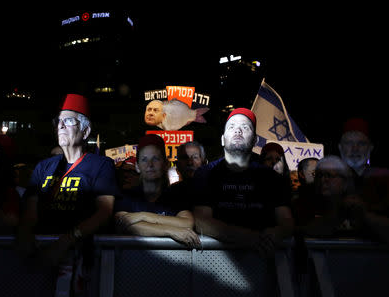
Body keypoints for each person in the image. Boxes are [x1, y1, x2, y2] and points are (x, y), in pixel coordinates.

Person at [17, 93, 118, 296]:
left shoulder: (101, 165)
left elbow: (104, 211)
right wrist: (26, 233)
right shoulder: (44, 166)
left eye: (69, 120)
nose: (60, 126)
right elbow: (31, 208)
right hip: (41, 253)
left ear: (85, 131)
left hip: (79, 254)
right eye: (58, 121)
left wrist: (65, 242)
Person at [193, 108, 294, 258]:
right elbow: (201, 221)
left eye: (245, 127)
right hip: (216, 260)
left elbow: (287, 221)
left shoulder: (271, 178)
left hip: (263, 260)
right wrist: (247, 237)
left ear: (254, 140)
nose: (238, 131)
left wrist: (277, 232)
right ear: (222, 139)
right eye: (231, 127)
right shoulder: (206, 173)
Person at [114, 134, 201, 248]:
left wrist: (142, 216)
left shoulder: (176, 195)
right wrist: (170, 231)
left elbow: (188, 223)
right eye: (144, 159)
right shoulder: (127, 196)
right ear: (137, 166)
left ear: (165, 164)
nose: (150, 165)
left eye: (155, 158)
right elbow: (126, 225)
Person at [337, 117, 389, 243]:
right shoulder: (327, 179)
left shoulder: (384, 179)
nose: (355, 149)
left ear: (370, 148)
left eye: (361, 143)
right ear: (340, 147)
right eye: (349, 143)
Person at [291, 157, 319, 226]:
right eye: (315, 173)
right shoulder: (293, 202)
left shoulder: (329, 197)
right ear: (302, 174)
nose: (321, 177)